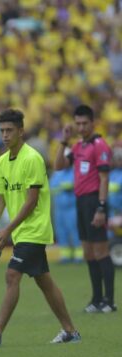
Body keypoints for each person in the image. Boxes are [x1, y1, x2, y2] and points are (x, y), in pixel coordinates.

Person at [0, 109, 80, 347]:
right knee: (45, 281)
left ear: (21, 131)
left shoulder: (32, 158)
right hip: (22, 231)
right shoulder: (1, 163)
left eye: (9, 130)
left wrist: (7, 230)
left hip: (35, 229)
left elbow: (31, 202)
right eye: (1, 131)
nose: (4, 135)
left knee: (12, 275)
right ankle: (71, 332)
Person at [54, 104, 116, 313]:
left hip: (94, 201)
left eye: (84, 123)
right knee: (89, 252)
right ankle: (96, 299)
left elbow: (104, 178)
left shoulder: (99, 145)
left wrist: (101, 207)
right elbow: (58, 166)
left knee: (101, 250)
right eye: (78, 123)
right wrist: (63, 141)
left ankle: (110, 300)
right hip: (80, 201)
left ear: (93, 123)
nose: (80, 127)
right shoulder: (78, 146)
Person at [50, 167, 82, 263]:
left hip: (72, 207)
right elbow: (51, 188)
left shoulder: (76, 171)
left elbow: (80, 185)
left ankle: (79, 255)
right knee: (61, 231)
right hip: (59, 208)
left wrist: (72, 186)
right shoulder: (57, 173)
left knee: (75, 230)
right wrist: (62, 187)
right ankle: (65, 255)